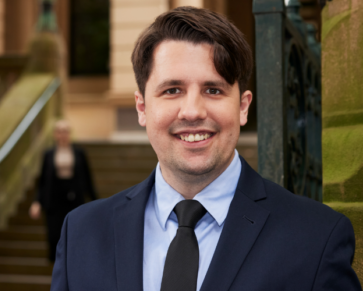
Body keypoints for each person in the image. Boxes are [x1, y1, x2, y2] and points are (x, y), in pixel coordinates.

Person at [51, 7, 361, 291]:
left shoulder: (317, 238)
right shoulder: (81, 233)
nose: (193, 111)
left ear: (243, 107)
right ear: (142, 107)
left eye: (213, 90)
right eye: (173, 90)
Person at [29, 120, 97, 262]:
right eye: (60, 131)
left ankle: (73, 264)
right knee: (54, 234)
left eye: (66, 131)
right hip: (53, 199)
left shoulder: (79, 153)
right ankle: (55, 266)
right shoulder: (48, 154)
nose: (63, 134)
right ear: (55, 134)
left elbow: (87, 178)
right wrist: (37, 202)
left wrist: (96, 202)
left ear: (70, 134)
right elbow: (42, 181)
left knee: (74, 232)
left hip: (74, 197)